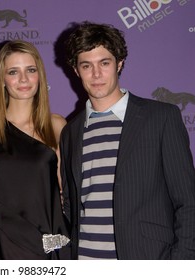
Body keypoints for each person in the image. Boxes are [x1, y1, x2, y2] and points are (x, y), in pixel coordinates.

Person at [60, 21, 195, 259]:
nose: (96, 74)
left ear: (119, 63)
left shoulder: (161, 118)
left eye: (104, 63)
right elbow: (72, 208)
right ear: (75, 70)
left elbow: (188, 203)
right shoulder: (71, 132)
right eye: (86, 65)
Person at [0, 40, 71, 259]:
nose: (24, 79)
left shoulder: (56, 125)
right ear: (2, 80)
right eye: (14, 72)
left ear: (40, 76)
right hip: (0, 243)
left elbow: (64, 191)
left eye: (31, 70)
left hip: (48, 242)